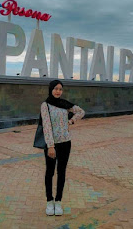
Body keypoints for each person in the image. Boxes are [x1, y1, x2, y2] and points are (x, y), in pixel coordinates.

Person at [41, 79, 85, 216]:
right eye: (55, 88)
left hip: (66, 142)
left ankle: (58, 201)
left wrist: (71, 120)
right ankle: (49, 201)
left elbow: (81, 112)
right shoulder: (45, 105)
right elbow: (46, 127)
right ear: (51, 89)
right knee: (50, 172)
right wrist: (50, 146)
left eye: (60, 89)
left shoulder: (65, 105)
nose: (58, 91)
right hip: (51, 145)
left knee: (62, 172)